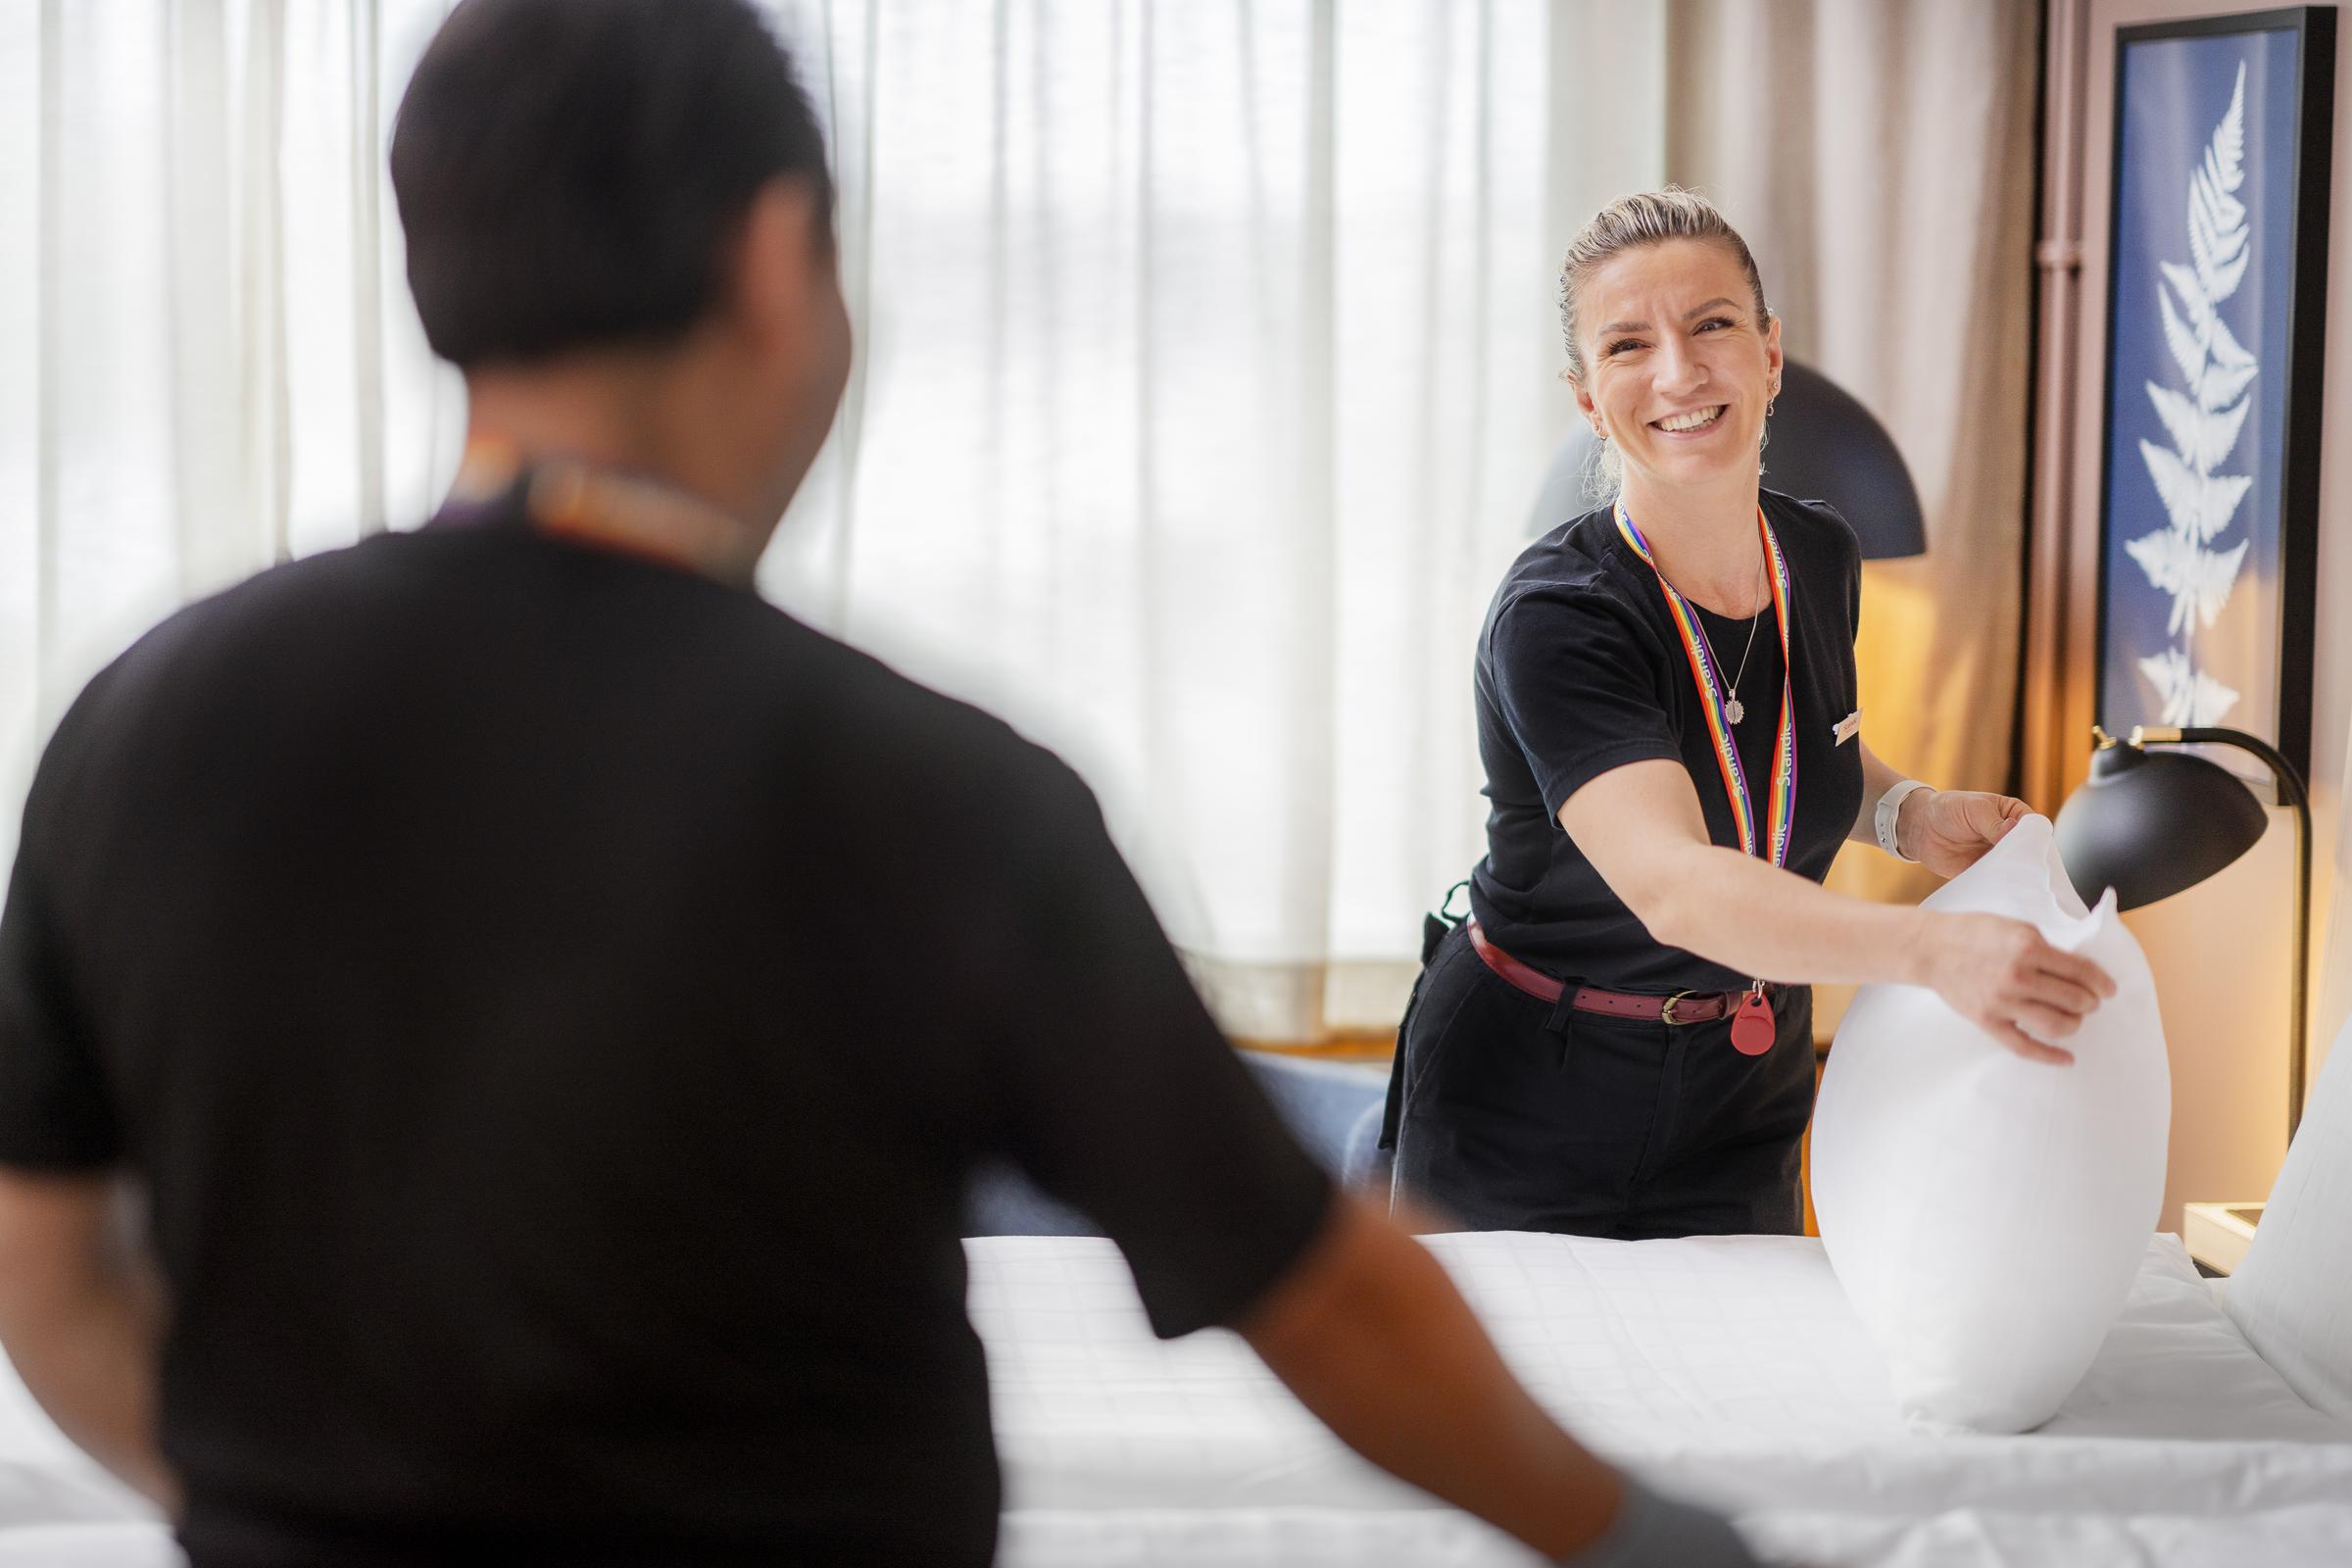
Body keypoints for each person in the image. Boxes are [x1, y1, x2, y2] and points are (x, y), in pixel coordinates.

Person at [0, 6, 1760, 1566]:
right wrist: (1643, 1537)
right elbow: (1320, 1294)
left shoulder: (138, 731)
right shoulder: (926, 797)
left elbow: (45, 1273)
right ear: (780, 262)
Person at [1383, 188, 2117, 1239]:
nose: (1679, 373)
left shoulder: (1819, 555)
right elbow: (1676, 884)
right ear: (1589, 399)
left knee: (1744, 1399)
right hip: (1528, 1099)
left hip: (1744, 1093)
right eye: (1628, 344)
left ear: (1770, 355)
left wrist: (1908, 811)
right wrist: (1933, 952)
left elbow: (1793, 748)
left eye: (1712, 324)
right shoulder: (1558, 615)